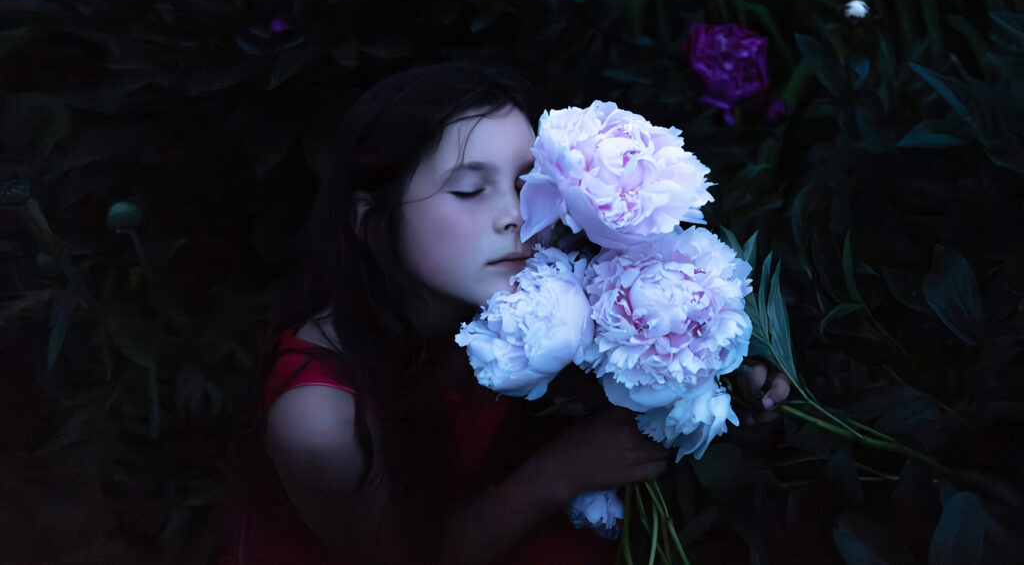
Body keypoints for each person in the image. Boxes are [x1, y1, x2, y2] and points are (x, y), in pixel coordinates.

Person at [222, 62, 789, 564]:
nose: (515, 217)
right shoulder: (319, 415)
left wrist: (716, 386)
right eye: (470, 190)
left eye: (526, 184)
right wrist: (559, 473)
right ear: (371, 220)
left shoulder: (556, 289)